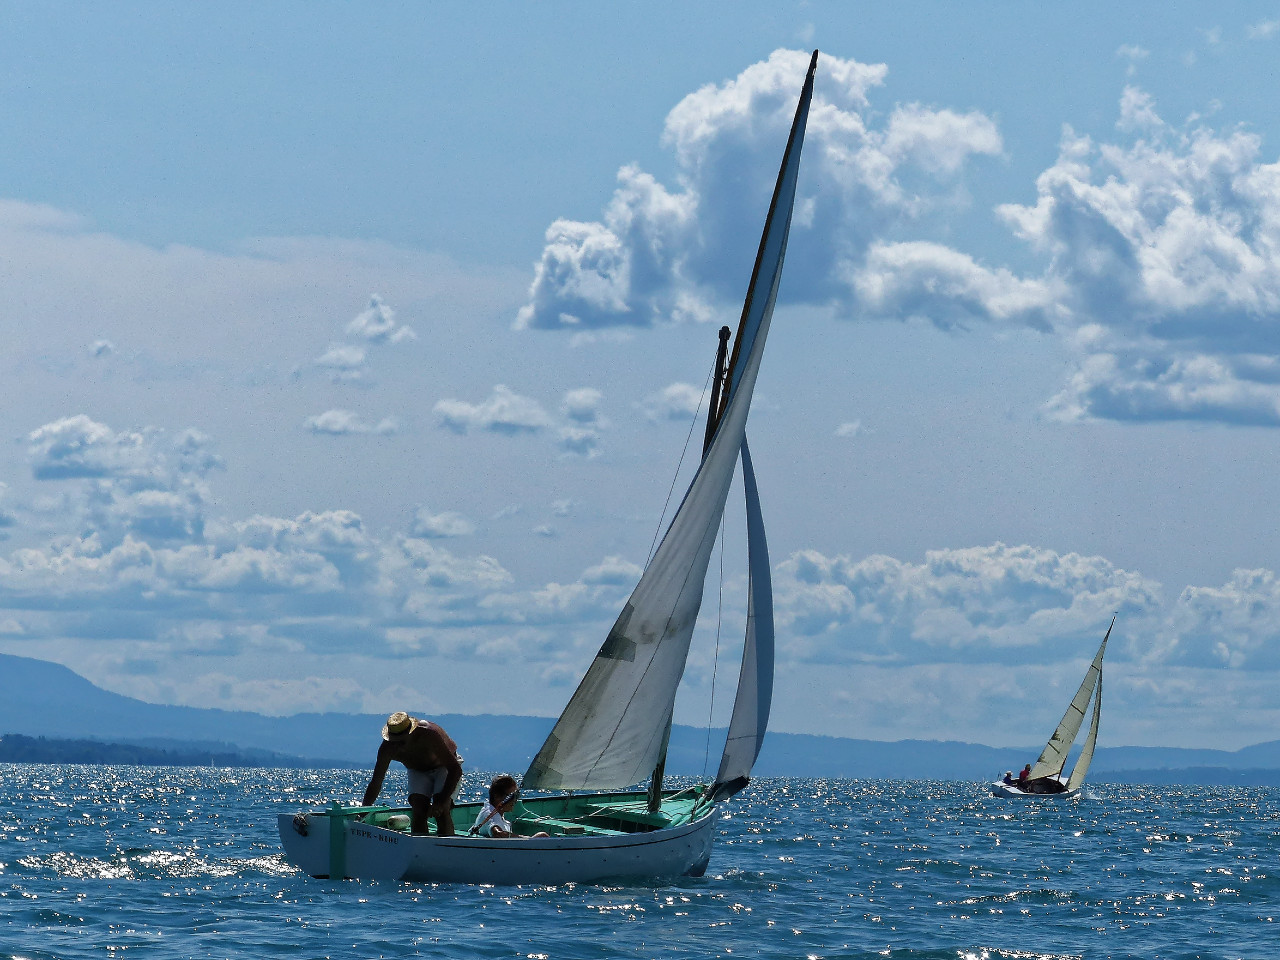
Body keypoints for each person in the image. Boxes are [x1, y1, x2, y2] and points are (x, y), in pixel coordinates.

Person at [362, 712, 463, 836]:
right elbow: (376, 782)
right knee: (419, 809)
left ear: (411, 732)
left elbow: (455, 769)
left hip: (445, 767)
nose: (397, 746)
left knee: (441, 810)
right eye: (393, 741)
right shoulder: (387, 749)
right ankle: (419, 850)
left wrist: (441, 801)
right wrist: (363, 811)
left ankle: (447, 848)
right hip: (417, 770)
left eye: (401, 741)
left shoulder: (429, 735)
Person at [469, 774, 549, 839]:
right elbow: (498, 833)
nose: (515, 800)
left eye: (517, 796)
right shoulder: (490, 814)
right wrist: (528, 839)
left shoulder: (489, 810)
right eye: (512, 796)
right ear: (497, 796)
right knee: (543, 836)